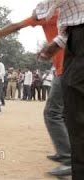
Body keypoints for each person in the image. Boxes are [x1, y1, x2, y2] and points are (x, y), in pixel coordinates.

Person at [0, 1, 71, 176]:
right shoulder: (65, 13)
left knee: (52, 113)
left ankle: (68, 158)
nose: (36, 9)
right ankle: (65, 151)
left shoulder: (48, 14)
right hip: (65, 68)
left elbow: (16, 26)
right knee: (64, 112)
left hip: (67, 69)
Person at [38, 0, 84, 178]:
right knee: (73, 113)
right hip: (73, 38)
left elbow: (25, 21)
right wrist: (57, 43)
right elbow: (72, 21)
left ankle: (68, 158)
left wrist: (40, 10)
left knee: (65, 113)